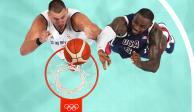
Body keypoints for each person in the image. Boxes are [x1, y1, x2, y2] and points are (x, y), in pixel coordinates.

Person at [97, 8, 175, 73]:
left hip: (145, 45)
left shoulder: (154, 32)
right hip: (128, 41)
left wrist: (139, 63)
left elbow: (155, 65)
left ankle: (167, 36)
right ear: (134, 16)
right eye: (135, 22)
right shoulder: (121, 23)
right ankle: (109, 44)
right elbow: (107, 31)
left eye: (142, 26)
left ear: (150, 25)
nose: (136, 28)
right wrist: (100, 49)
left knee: (163, 45)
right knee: (110, 39)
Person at [20, 0, 101, 59]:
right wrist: (39, 40)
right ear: (49, 15)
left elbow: (98, 32)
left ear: (67, 11)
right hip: (62, 53)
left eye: (63, 17)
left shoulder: (76, 18)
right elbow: (23, 51)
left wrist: (101, 49)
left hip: (82, 49)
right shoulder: (41, 21)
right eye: (56, 19)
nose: (60, 22)